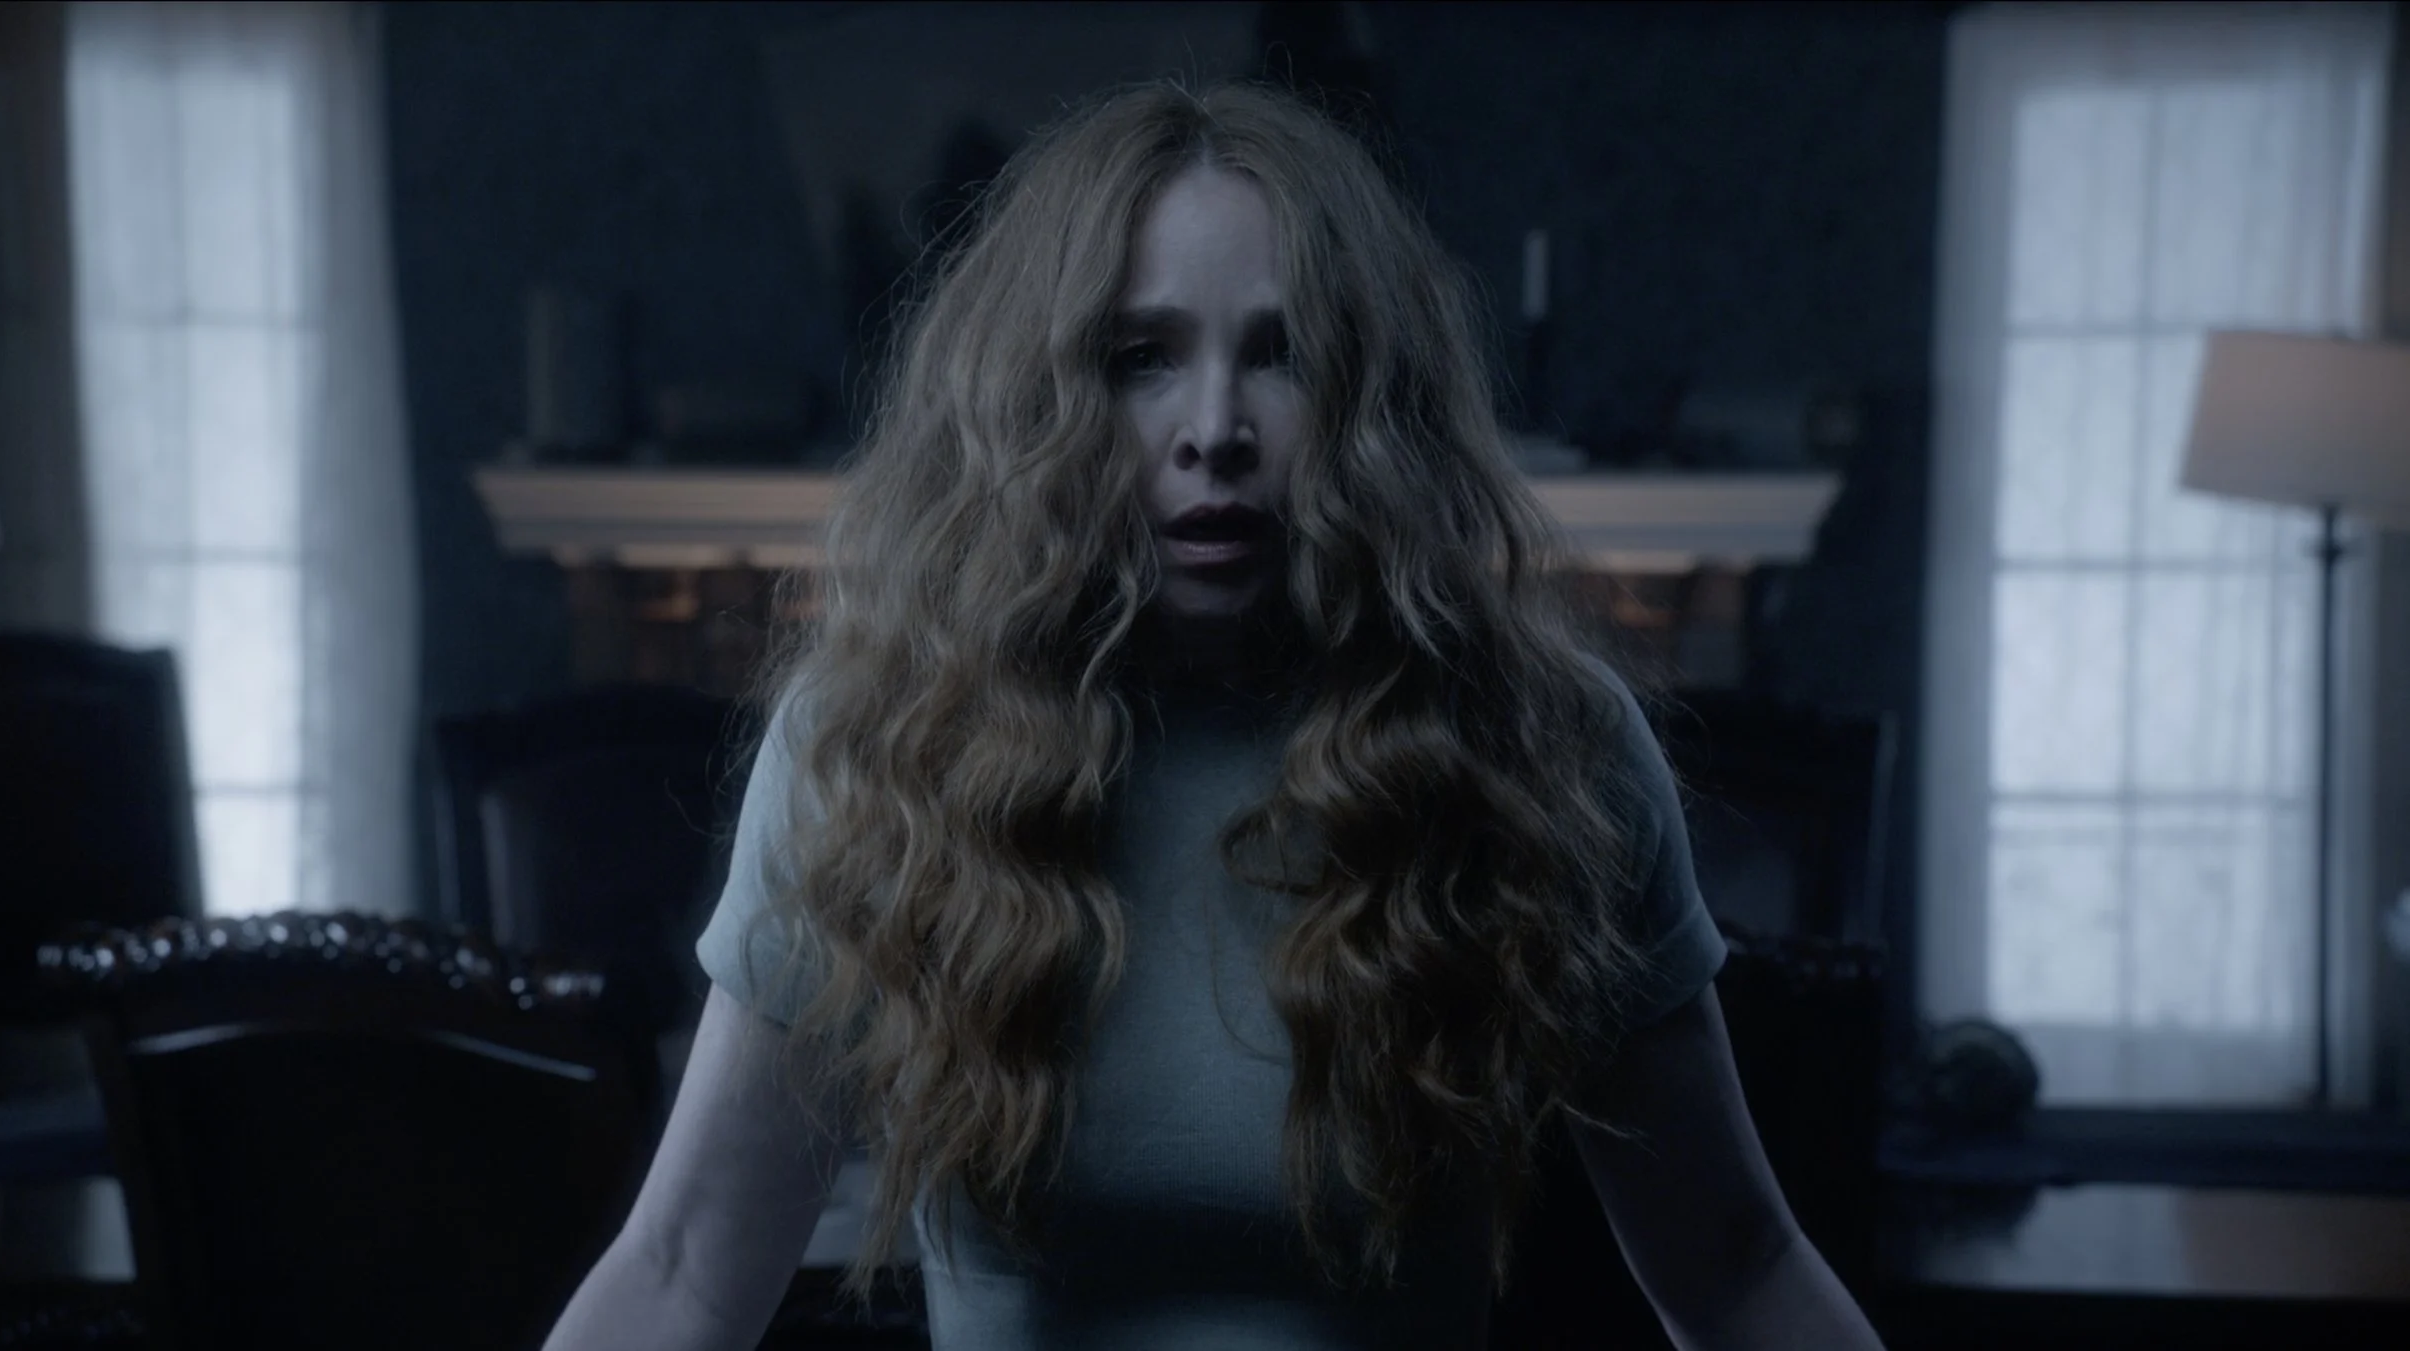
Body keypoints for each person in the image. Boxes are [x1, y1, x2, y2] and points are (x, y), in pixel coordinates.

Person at [544, 81, 1884, 1351]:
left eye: (1283, 354)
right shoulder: (883, 745)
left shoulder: (1541, 744)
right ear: (1045, 398)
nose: (1216, 428)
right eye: (1142, 357)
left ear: (1371, 402)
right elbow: (684, 1272)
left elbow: (1738, 1265)